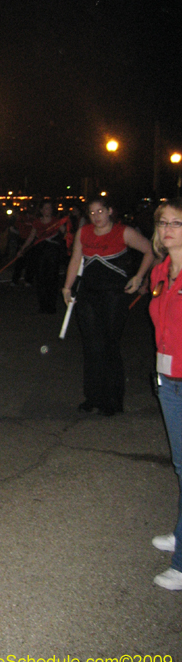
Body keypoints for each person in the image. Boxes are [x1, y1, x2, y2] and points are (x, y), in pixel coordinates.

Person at [62, 195, 153, 416]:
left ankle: (112, 400)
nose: (96, 216)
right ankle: (93, 397)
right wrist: (67, 287)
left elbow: (150, 250)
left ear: (110, 210)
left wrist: (140, 277)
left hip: (114, 295)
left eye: (100, 211)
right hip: (88, 294)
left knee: (110, 345)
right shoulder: (83, 232)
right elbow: (76, 259)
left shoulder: (123, 231)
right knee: (91, 346)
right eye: (92, 213)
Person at [149, 198, 182, 590]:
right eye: (164, 222)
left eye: (177, 222)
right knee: (179, 465)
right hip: (168, 380)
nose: (169, 228)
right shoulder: (161, 270)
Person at [18, 200, 65, 314]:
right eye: (45, 208)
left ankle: (51, 305)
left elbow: (66, 234)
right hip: (40, 252)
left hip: (52, 252)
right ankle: (43, 305)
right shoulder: (37, 222)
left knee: (52, 278)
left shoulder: (56, 221)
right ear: (41, 210)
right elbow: (31, 237)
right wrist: (22, 249)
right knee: (40, 278)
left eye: (49, 208)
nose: (47, 210)